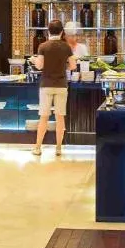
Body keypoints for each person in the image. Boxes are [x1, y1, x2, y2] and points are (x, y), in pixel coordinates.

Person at [31, 19, 76, 157]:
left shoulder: (43, 46)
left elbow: (39, 66)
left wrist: (34, 60)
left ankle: (38, 148)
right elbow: (73, 66)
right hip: (61, 86)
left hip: (46, 85)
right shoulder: (66, 47)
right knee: (60, 117)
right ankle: (58, 149)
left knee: (43, 117)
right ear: (62, 32)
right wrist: (63, 66)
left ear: (48, 31)